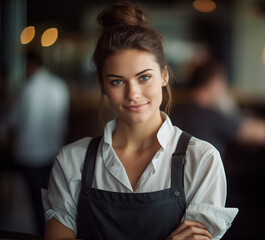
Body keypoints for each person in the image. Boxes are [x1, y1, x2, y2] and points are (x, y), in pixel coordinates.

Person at [42, 2, 238, 240]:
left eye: (144, 77)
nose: (133, 93)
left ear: (164, 75)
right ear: (102, 85)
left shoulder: (202, 159)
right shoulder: (72, 161)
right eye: (117, 81)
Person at [1, 51, 69, 234]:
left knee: (32, 200)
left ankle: (37, 233)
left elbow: (11, 121)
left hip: (29, 154)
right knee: (52, 200)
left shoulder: (26, 88)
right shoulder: (60, 86)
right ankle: (48, 232)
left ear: (30, 65)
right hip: (53, 152)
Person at [171, 60, 265, 157]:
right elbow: (261, 133)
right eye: (223, 83)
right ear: (214, 83)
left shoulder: (175, 109)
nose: (224, 88)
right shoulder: (211, 115)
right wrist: (226, 104)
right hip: (208, 174)